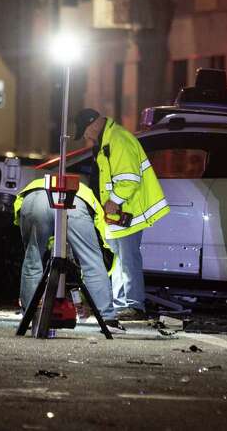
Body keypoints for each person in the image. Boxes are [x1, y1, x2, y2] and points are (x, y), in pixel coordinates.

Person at [74, 108, 169, 321]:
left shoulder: (117, 139)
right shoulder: (108, 140)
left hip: (127, 210)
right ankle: (121, 304)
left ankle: (134, 305)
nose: (87, 137)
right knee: (120, 260)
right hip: (118, 213)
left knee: (128, 259)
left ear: (95, 123)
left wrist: (113, 201)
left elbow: (130, 178)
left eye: (86, 131)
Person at [14, 177, 119, 327]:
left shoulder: (36, 184)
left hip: (34, 198)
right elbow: (98, 253)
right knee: (92, 261)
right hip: (73, 199)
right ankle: (108, 319)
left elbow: (52, 241)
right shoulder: (91, 201)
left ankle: (30, 317)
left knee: (33, 259)